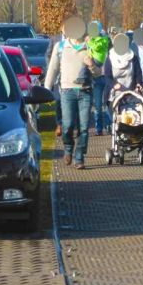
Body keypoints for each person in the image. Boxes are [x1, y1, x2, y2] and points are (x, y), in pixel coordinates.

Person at [44, 16, 100, 170]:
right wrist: (46, 90)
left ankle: (79, 157)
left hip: (85, 92)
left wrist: (91, 65)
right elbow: (53, 70)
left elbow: (98, 73)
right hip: (67, 91)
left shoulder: (89, 47)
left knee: (83, 127)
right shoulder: (60, 47)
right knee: (67, 125)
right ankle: (68, 148)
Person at [103, 33, 143, 118]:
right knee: (114, 118)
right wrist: (114, 84)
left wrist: (138, 84)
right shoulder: (110, 57)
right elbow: (107, 76)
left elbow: (138, 74)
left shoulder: (133, 57)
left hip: (130, 93)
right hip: (113, 93)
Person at [84, 21, 110, 135]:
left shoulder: (103, 41)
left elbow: (96, 47)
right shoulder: (92, 40)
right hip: (93, 77)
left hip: (102, 77)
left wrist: (89, 41)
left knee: (103, 105)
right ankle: (99, 128)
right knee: (97, 105)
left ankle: (107, 126)